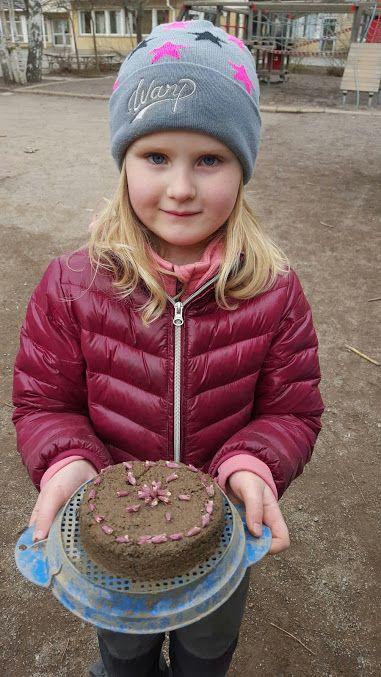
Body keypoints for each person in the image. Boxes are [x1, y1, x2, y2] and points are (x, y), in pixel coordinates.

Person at [12, 19, 324, 677]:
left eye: (208, 159)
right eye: (155, 157)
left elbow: (292, 411)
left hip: (219, 538)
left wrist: (252, 460)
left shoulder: (274, 291)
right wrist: (68, 458)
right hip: (112, 548)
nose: (180, 187)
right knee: (122, 654)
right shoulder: (71, 285)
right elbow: (45, 401)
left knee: (206, 651)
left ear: (241, 167)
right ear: (122, 161)